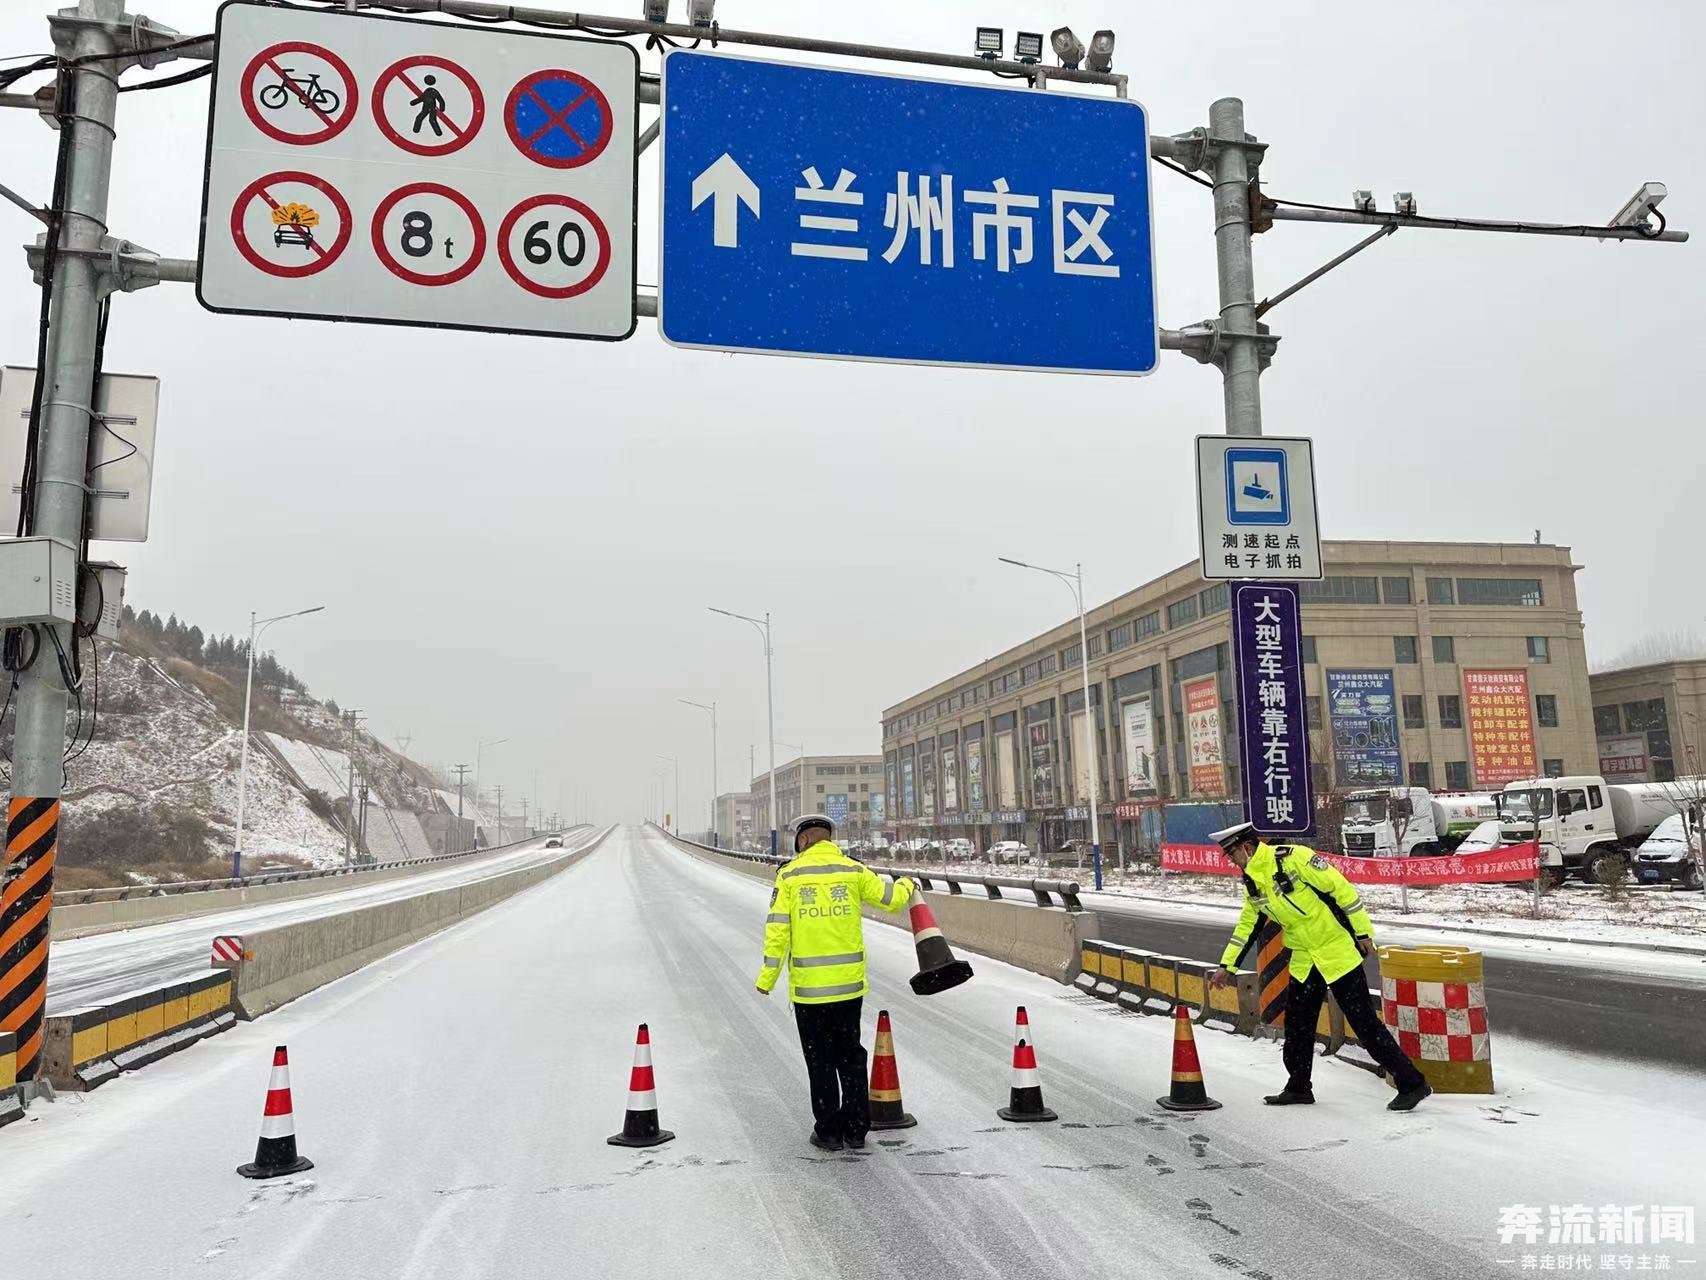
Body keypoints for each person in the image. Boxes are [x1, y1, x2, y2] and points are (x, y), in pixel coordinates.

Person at [1206, 821, 1431, 1112]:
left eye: (1232, 854)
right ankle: (1298, 1086)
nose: (1231, 861)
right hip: (1304, 958)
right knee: (1298, 1024)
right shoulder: (1252, 881)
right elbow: (1247, 927)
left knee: (1363, 1022)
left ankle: (1412, 1083)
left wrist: (1363, 933)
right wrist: (1228, 966)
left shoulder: (1294, 858)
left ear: (1247, 847)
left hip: (1336, 951)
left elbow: (1342, 891)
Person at [756, 813, 916, 1151]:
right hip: (848, 988)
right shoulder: (852, 871)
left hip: (810, 993)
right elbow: (890, 899)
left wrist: (767, 978)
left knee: (820, 1061)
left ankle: (828, 1132)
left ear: (803, 840)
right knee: (851, 1057)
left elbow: (777, 932)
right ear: (829, 839)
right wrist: (906, 884)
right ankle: (857, 1129)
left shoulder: (790, 876)